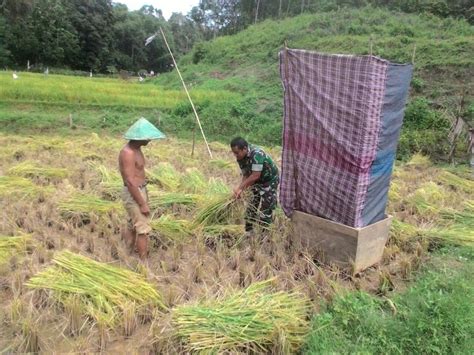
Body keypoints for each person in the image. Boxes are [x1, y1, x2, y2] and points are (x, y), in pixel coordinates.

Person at [119, 117, 165, 259]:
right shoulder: (128, 153)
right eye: (148, 138)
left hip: (140, 190)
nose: (149, 140)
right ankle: (143, 262)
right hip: (134, 193)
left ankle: (127, 252)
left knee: (133, 224)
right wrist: (142, 203)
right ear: (139, 138)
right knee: (143, 229)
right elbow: (130, 180)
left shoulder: (137, 149)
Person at [230, 137, 279, 234]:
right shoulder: (240, 157)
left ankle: (264, 235)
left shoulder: (257, 154)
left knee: (266, 207)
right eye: (233, 153)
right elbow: (246, 175)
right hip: (255, 180)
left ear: (244, 149)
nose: (235, 155)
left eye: (237, 152)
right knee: (252, 203)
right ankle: (249, 231)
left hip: (268, 180)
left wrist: (240, 188)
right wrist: (241, 190)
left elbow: (255, 175)